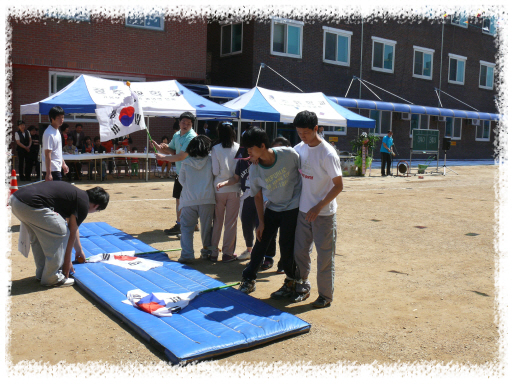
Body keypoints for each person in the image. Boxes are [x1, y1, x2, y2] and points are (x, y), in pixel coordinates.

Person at [237, 127, 302, 298]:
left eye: (251, 148)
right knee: (261, 242)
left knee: (286, 245)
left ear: (262, 145)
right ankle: (249, 279)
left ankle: (290, 281)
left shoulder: (289, 154)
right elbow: (258, 196)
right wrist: (261, 222)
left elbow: (305, 172)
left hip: (292, 207)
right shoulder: (255, 168)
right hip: (272, 207)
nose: (248, 152)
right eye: (247, 149)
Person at [10, 182, 109, 287]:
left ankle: (43, 273)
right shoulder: (83, 203)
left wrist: (79, 250)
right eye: (97, 210)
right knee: (61, 231)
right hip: (30, 204)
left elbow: (73, 227)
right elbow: (70, 232)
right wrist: (67, 262)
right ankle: (52, 277)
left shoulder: (76, 196)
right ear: (96, 205)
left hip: (16, 200)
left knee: (38, 237)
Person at [291, 111, 343, 308]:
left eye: (306, 133)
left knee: (325, 256)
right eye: (299, 133)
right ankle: (302, 285)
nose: (302, 137)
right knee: (301, 252)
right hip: (304, 211)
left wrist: (318, 206)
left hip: (324, 214)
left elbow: (338, 185)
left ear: (316, 129)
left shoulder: (328, 154)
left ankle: (325, 295)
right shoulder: (300, 148)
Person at [152, 112, 197, 236]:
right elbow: (172, 151)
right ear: (179, 122)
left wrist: (164, 157)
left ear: (192, 124)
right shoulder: (177, 135)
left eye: (189, 123)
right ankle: (186, 224)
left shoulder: (191, 136)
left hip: (190, 174)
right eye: (183, 122)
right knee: (180, 200)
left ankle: (183, 225)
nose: (186, 125)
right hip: (180, 173)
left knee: (186, 201)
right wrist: (159, 147)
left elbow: (181, 156)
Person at [176, 135, 217, 263]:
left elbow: (181, 180)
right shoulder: (211, 161)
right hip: (207, 199)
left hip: (189, 200)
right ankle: (206, 252)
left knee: (187, 228)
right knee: (206, 229)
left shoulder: (185, 163)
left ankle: (187, 254)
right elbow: (215, 177)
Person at [210, 122, 240, 263]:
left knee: (217, 222)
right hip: (234, 189)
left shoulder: (215, 149)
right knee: (231, 223)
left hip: (219, 189)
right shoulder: (239, 147)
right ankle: (227, 253)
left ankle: (213, 252)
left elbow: (215, 171)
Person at [43, 106, 69, 181]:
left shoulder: (57, 131)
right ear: (52, 118)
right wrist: (48, 173)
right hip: (52, 170)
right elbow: (47, 154)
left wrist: (63, 164)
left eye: (63, 117)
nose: (61, 120)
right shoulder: (49, 133)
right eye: (58, 118)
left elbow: (57, 151)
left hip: (57, 168)